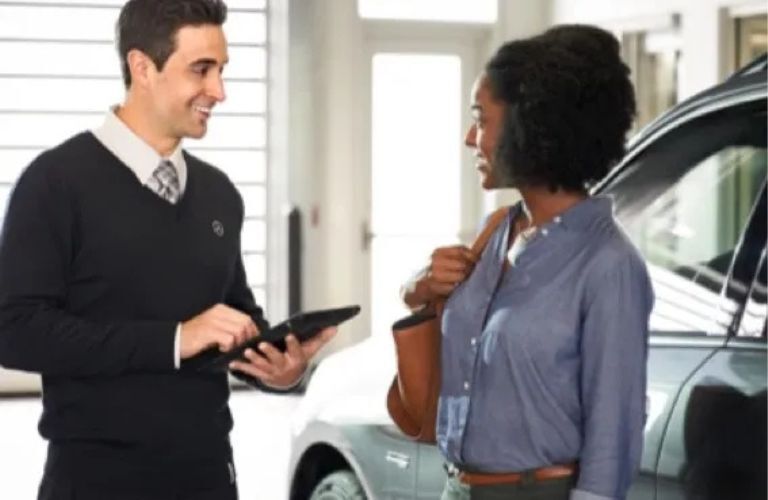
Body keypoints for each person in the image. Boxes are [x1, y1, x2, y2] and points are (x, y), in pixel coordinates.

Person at [0, 1, 335, 499]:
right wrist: (173, 339)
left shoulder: (220, 194)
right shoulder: (53, 184)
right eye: (201, 69)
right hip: (96, 482)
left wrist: (277, 369)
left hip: (209, 478)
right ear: (142, 67)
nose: (219, 91)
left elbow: (236, 320)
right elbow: (14, 332)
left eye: (221, 70)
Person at [402, 25, 654, 500]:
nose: (470, 138)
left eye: (481, 120)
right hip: (457, 487)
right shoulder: (496, 232)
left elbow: (614, 435)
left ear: (532, 126)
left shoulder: (609, 265)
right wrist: (418, 288)